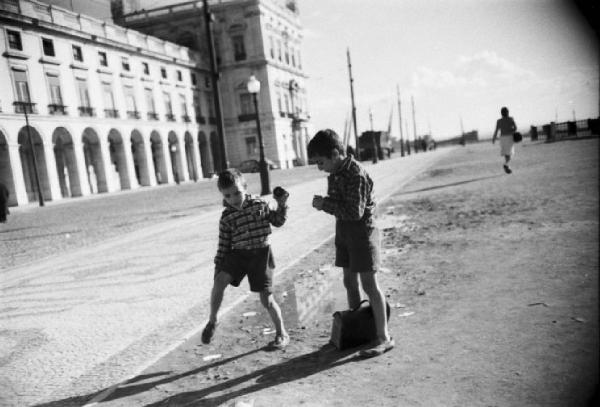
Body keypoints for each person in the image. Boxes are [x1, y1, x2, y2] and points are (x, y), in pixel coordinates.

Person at [307, 129, 393, 358]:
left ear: (335, 154)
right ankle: (360, 330)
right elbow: (339, 206)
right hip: (344, 232)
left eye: (321, 161)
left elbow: (354, 212)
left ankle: (384, 337)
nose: (319, 167)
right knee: (349, 281)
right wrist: (325, 203)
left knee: (369, 284)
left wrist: (324, 204)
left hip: (362, 233)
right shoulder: (334, 174)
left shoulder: (356, 174)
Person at [202, 169, 290, 348]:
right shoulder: (227, 216)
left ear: (245, 188)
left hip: (261, 255)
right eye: (227, 196)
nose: (233, 199)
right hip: (239, 255)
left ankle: (282, 333)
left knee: (266, 298)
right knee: (219, 282)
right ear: (223, 196)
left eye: (237, 193)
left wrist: (282, 204)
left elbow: (278, 221)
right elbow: (224, 244)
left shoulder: (260, 203)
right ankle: (212, 321)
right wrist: (218, 265)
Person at [492, 106, 517, 174]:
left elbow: (496, 130)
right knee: (510, 153)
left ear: (501, 113)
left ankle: (508, 167)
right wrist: (511, 130)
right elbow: (515, 128)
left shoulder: (499, 121)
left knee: (506, 154)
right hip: (509, 137)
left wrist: (494, 138)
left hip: (502, 138)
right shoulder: (511, 119)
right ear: (507, 112)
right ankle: (506, 164)